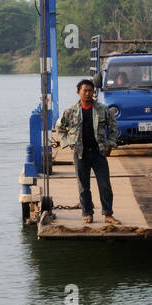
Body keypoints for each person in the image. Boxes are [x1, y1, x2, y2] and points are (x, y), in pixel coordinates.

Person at [53, 79, 120, 225]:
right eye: (85, 91)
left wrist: (110, 143)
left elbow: (114, 127)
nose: (88, 93)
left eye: (91, 91)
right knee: (83, 186)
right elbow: (60, 127)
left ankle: (108, 214)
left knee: (105, 184)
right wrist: (68, 142)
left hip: (98, 152)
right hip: (80, 153)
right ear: (79, 92)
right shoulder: (70, 111)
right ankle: (87, 213)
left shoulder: (102, 109)